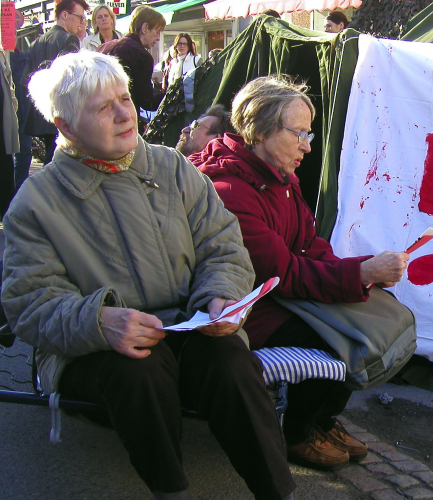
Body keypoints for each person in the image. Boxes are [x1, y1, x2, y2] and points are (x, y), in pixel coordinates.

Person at [1, 51, 295, 500]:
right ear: (65, 127)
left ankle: (279, 493)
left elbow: (222, 246)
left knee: (231, 362)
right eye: (103, 108)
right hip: (92, 352)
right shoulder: (36, 202)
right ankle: (170, 492)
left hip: (188, 326)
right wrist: (99, 322)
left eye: (124, 98)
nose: (125, 115)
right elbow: (30, 302)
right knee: (139, 368)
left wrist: (219, 297)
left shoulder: (173, 167)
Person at [193, 75, 409, 471]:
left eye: (309, 134)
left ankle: (322, 420)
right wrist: (359, 273)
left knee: (375, 310)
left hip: (280, 296)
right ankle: (298, 431)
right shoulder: (229, 191)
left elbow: (310, 245)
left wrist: (363, 273)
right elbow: (283, 273)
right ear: (260, 130)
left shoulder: (280, 179)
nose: (307, 146)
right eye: (299, 134)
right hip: (246, 308)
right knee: (335, 337)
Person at [22, 0, 85, 165]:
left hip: (40, 112)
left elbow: (25, 80)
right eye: (80, 17)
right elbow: (73, 79)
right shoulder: (69, 39)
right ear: (64, 15)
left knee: (50, 162)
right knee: (58, 164)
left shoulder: (36, 42)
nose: (81, 23)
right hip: (62, 112)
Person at [98, 5, 165, 115]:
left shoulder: (104, 47)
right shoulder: (142, 56)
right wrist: (173, 95)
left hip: (99, 115)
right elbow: (147, 102)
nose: (158, 38)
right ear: (145, 28)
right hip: (122, 117)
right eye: (157, 32)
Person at [10, 8, 32, 190]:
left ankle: (19, 192)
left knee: (24, 152)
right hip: (7, 110)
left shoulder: (24, 57)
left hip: (22, 111)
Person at [0, 48, 20, 219]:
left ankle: (7, 215)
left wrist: (13, 106)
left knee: (5, 167)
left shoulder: (1, 53)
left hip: (2, 121)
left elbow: (8, 82)